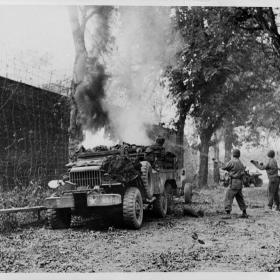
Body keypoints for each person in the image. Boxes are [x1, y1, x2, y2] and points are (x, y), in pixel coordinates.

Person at [222, 149, 248, 218]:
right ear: (239, 155)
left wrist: (218, 163)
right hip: (239, 183)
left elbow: (224, 167)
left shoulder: (232, 161)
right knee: (240, 198)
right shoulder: (240, 162)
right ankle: (244, 213)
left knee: (228, 197)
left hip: (233, 183)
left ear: (233, 154)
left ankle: (228, 214)